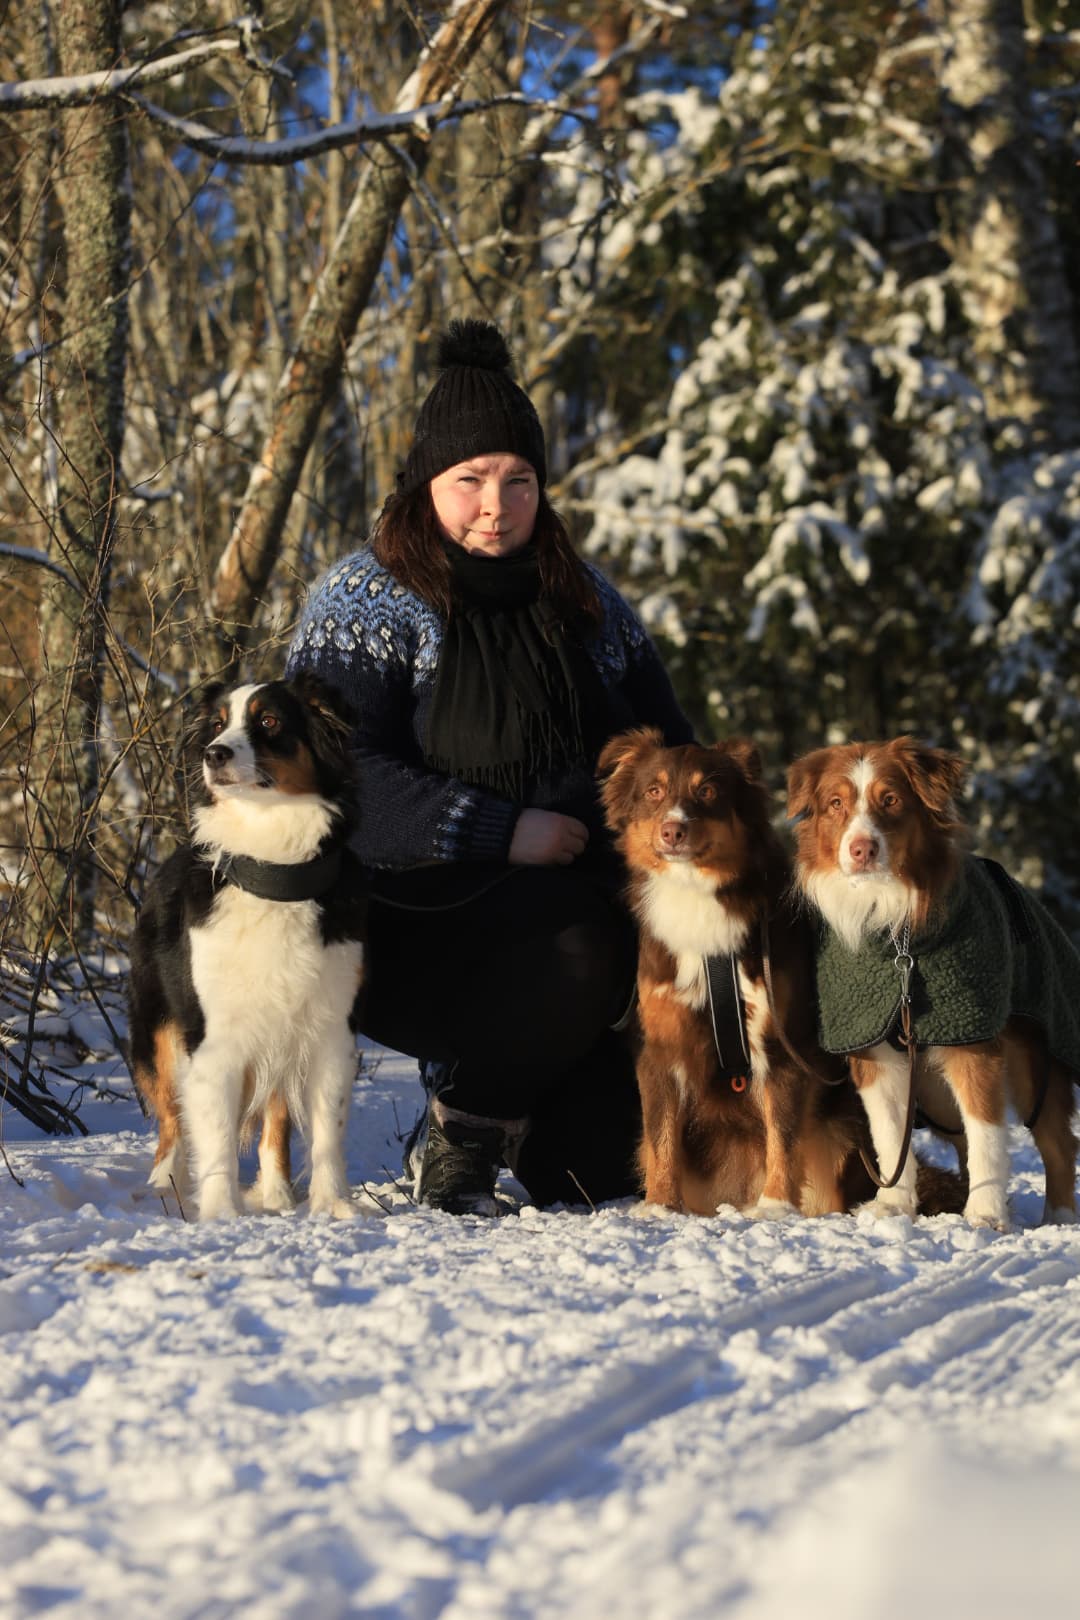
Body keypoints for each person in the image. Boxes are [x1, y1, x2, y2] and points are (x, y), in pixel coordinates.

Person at [286, 319, 692, 1214]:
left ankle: (517, 1103)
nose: (494, 508)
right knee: (575, 938)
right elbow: (328, 774)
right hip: (409, 925)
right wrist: (502, 830)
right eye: (468, 481)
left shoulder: (590, 605)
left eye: (517, 482)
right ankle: (462, 1128)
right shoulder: (367, 598)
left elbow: (679, 754)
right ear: (427, 482)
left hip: (586, 938)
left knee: (600, 1171)